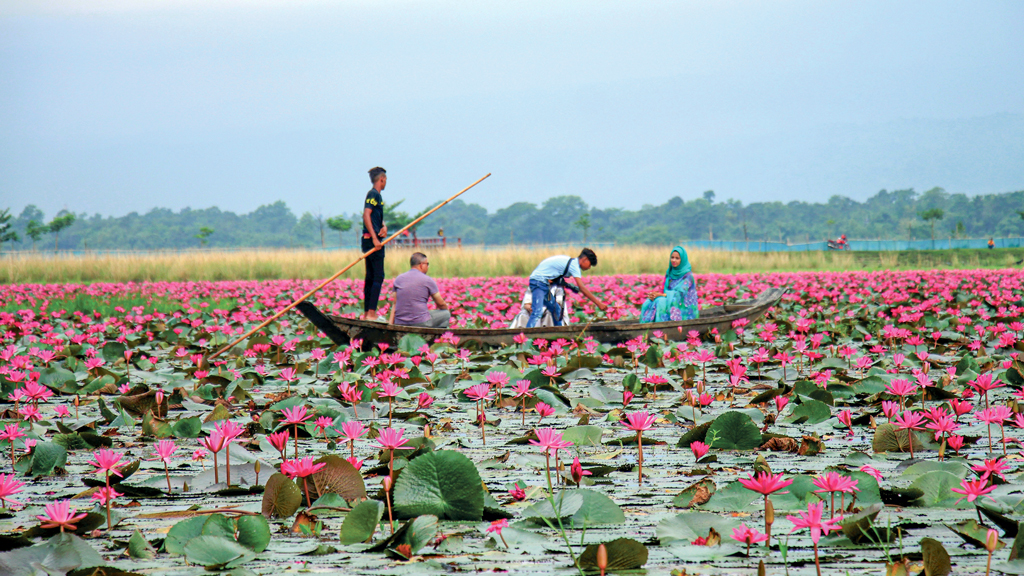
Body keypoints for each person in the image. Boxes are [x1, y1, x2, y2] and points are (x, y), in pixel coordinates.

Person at [525, 248, 607, 328]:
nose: (589, 267)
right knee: (537, 312)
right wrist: (598, 303)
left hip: (543, 284)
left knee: (556, 310)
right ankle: (527, 336)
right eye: (590, 264)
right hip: (538, 282)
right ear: (585, 259)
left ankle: (559, 333)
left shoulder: (570, 262)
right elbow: (582, 287)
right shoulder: (574, 265)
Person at [388, 252, 450, 328]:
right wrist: (446, 310)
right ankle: (436, 337)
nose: (428, 266)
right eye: (427, 264)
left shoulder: (399, 279)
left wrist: (390, 326)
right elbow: (441, 304)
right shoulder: (427, 280)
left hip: (400, 323)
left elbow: (395, 304)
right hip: (421, 323)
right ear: (421, 265)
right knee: (446, 314)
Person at [639, 246, 699, 323]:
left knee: (660, 301)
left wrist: (661, 295)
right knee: (648, 302)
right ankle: (646, 328)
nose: (674, 260)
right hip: (668, 298)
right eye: (672, 257)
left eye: (677, 258)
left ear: (682, 260)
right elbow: (663, 289)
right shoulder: (669, 273)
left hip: (682, 305)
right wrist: (655, 295)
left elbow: (680, 294)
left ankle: (660, 328)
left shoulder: (688, 276)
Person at [360, 167, 388, 321]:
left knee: (370, 276)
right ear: (382, 179)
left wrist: (383, 227)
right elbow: (366, 215)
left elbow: (375, 216)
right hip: (371, 241)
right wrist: (375, 239)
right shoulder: (373, 194)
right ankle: (371, 313)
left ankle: (367, 313)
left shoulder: (377, 196)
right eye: (385, 181)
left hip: (370, 239)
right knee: (378, 276)